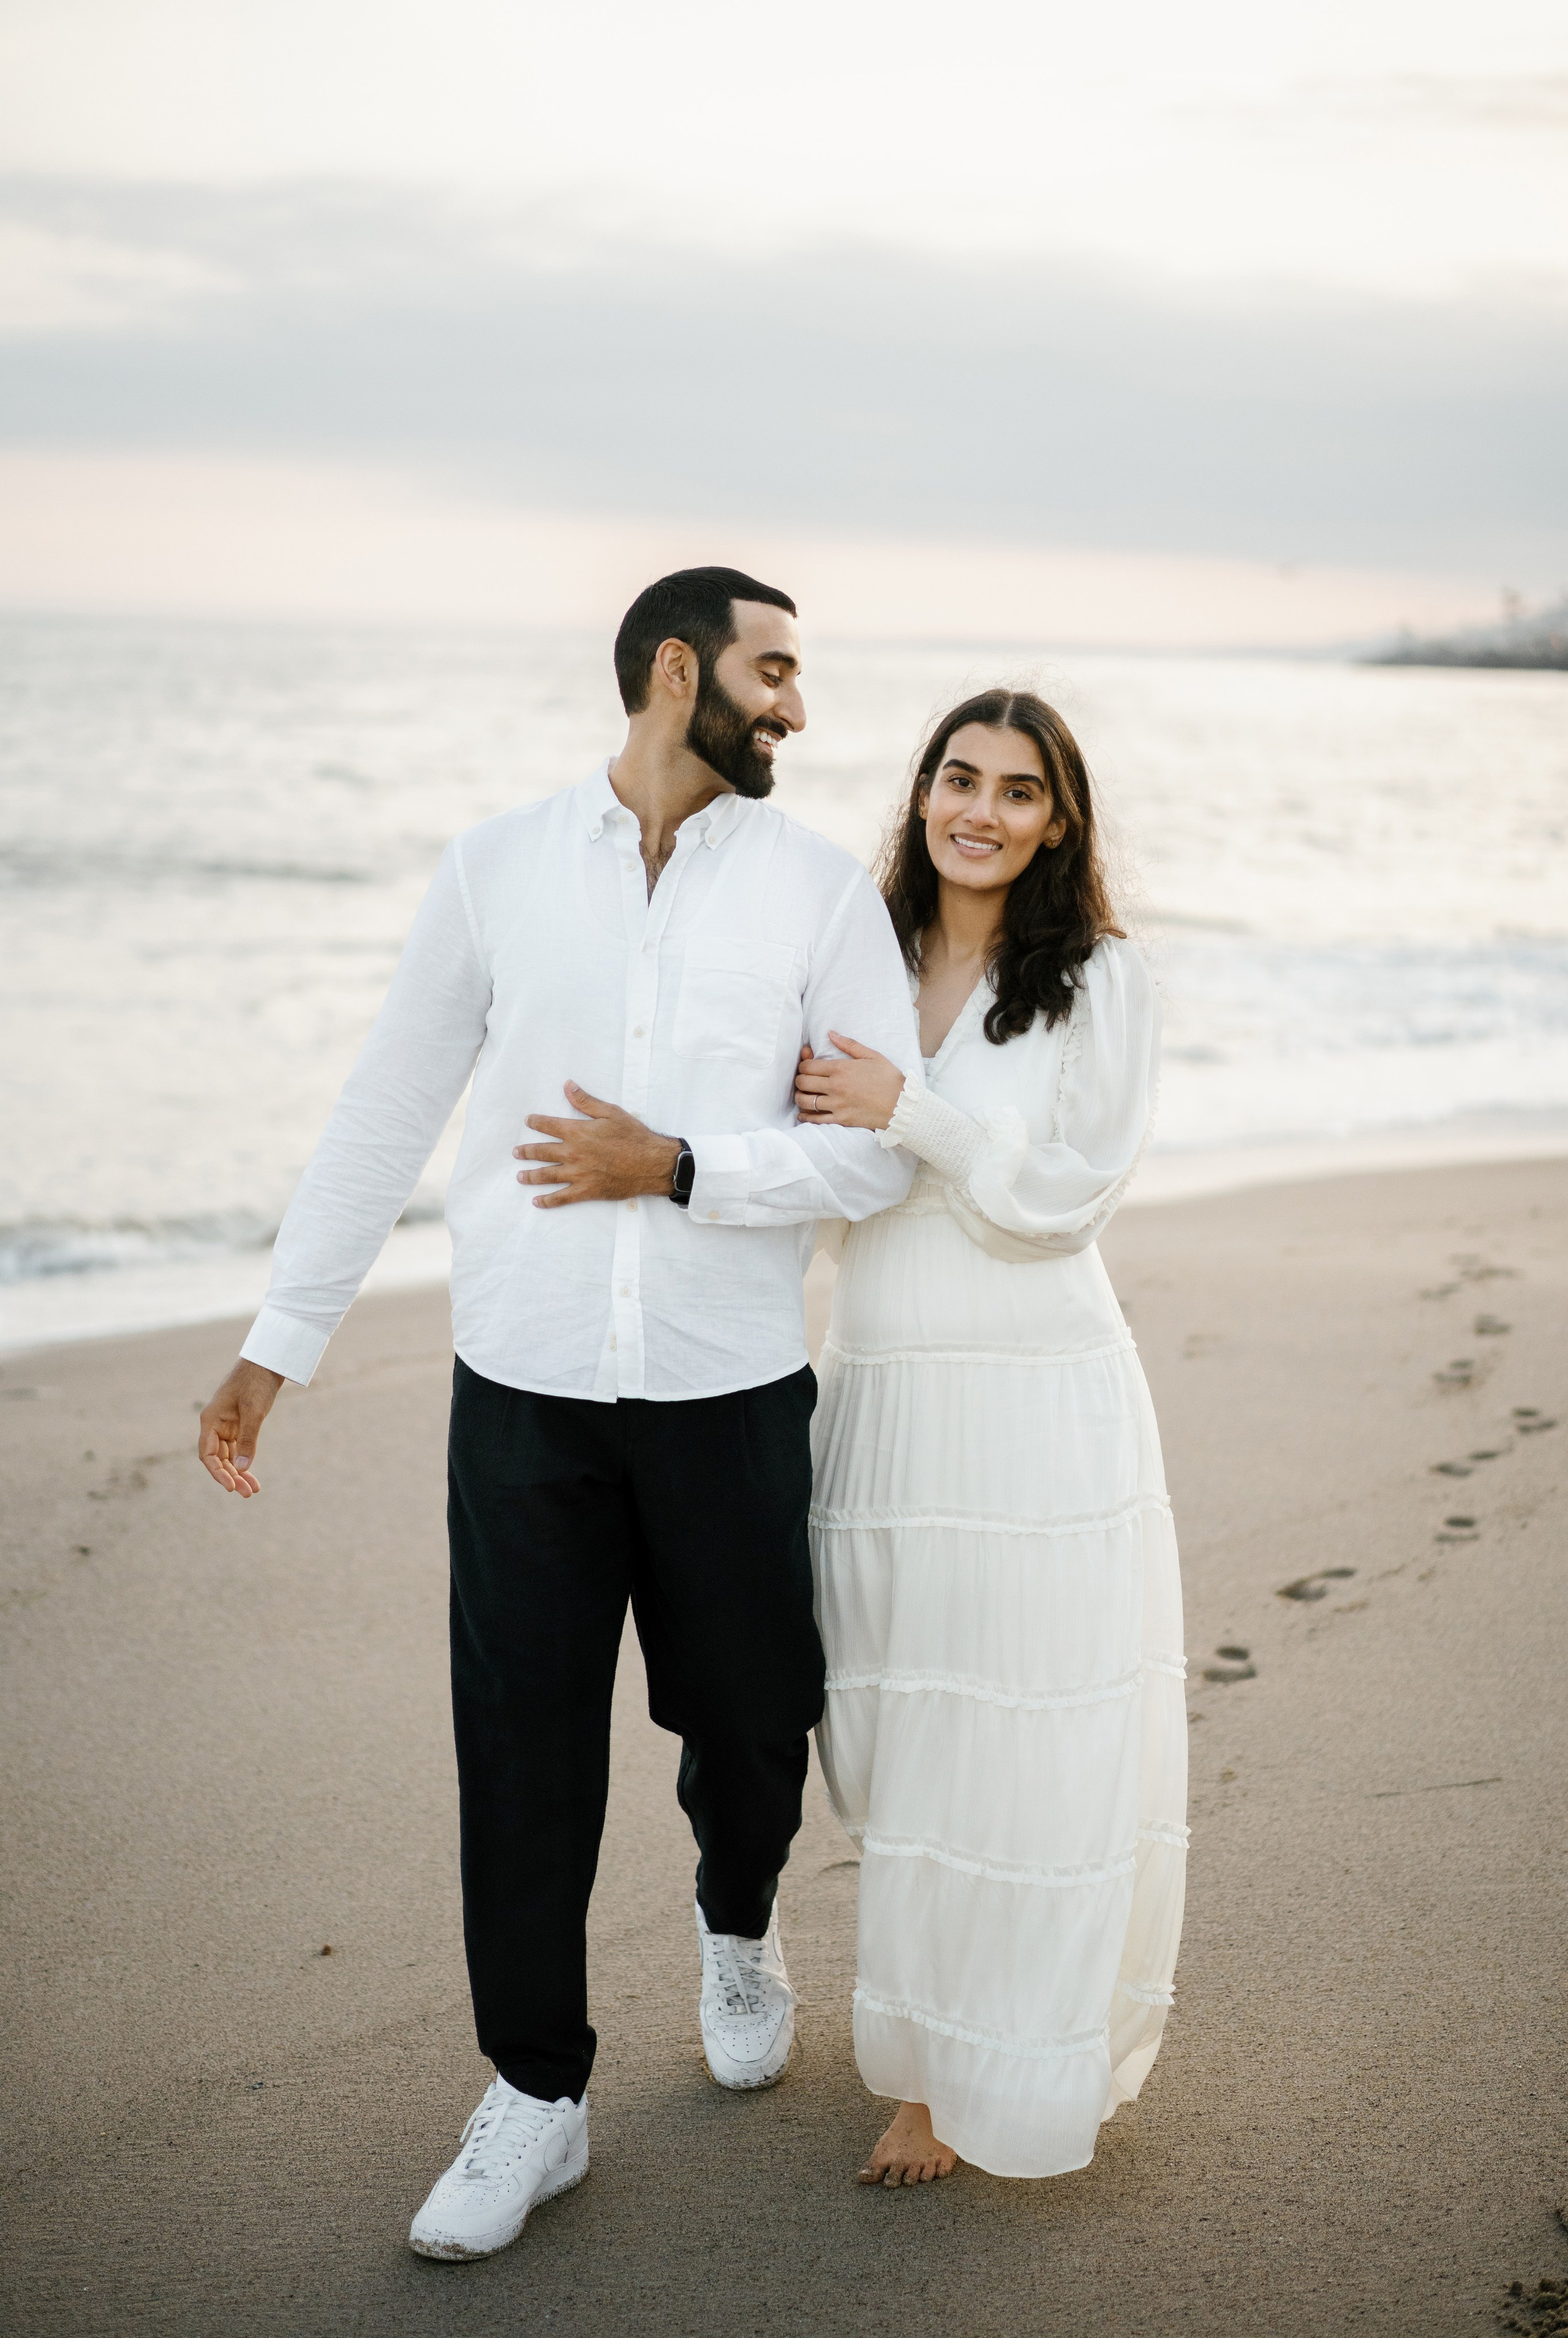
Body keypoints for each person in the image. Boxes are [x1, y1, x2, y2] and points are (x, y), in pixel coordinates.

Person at [195, 569, 922, 2261]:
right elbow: (389, 1104)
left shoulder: (820, 896)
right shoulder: (496, 869)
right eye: (775, 673)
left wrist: (676, 1167)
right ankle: (536, 2094)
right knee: (520, 1756)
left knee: (751, 1727)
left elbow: (882, 1146)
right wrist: (277, 1339)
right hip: (519, 1393)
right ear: (677, 674)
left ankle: (736, 1920)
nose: (802, 709)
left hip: (728, 1392)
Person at [793, 688, 1186, 2187]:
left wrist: (916, 1112)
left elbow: (1065, 1201)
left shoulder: (1097, 978)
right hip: (884, 1384)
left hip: (1035, 1398)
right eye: (958, 778)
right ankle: (927, 2035)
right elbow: (817, 1183)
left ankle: (960, 2077)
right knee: (895, 1735)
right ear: (921, 795)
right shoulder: (860, 962)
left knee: (1019, 1736)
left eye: (1017, 792)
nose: (980, 809)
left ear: (1055, 822)